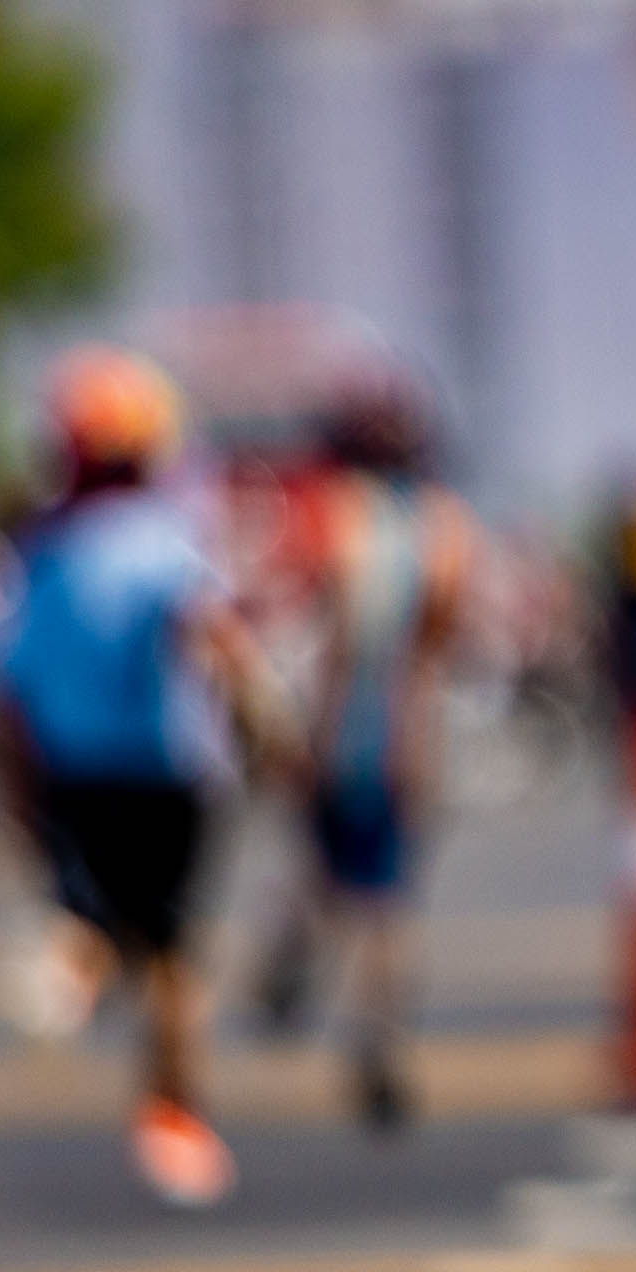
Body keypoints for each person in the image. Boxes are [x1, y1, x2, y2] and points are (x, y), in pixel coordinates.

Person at [0, 349, 264, 1209]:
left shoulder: (37, 556)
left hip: (75, 775)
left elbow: (4, 694)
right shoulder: (171, 542)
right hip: (171, 772)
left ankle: (72, 963)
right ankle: (175, 1120)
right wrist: (264, 730)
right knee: (177, 954)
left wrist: (19, 800)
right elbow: (217, 641)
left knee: (91, 910)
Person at [260, 380, 474, 1133]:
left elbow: (307, 631)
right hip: (397, 726)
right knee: (385, 897)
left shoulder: (322, 515)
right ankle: (379, 1038)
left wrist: (295, 734)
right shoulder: (443, 527)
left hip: (336, 719)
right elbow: (436, 653)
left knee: (328, 870)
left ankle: (293, 965)